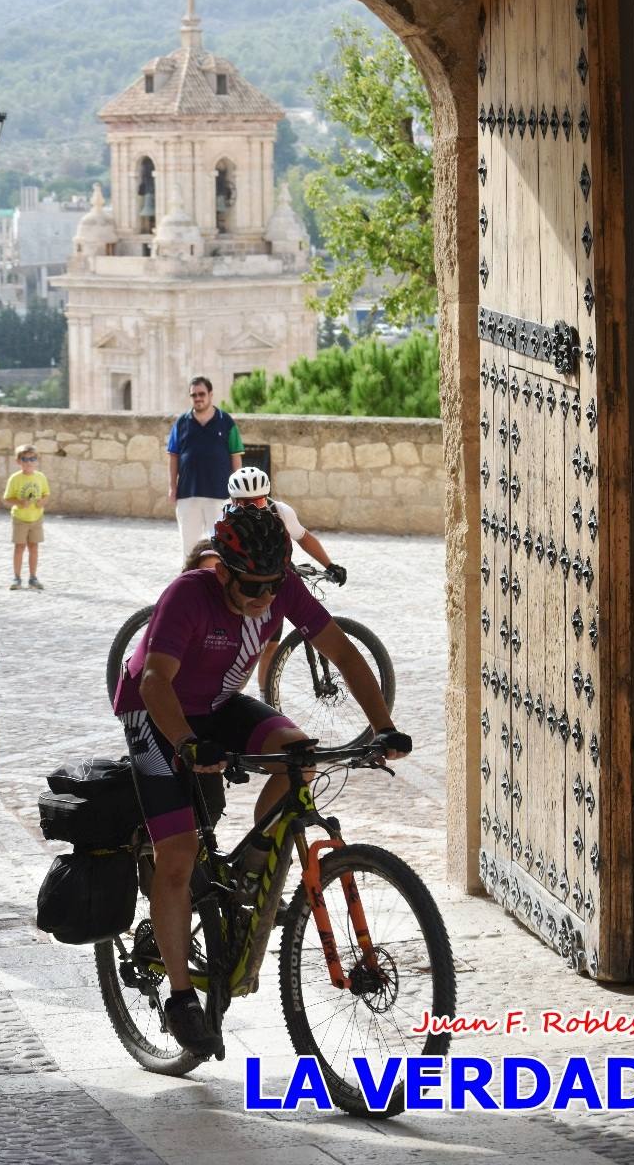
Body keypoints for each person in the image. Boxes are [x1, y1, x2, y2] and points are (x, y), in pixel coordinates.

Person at [113, 503, 411, 1057]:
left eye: (273, 586)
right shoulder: (189, 594)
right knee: (177, 854)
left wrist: (384, 726)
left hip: (218, 702)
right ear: (222, 569)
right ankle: (180, 996)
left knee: (299, 755)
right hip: (155, 711)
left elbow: (342, 652)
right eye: (251, 586)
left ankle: (251, 866)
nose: (264, 599)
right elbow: (155, 683)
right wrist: (187, 745)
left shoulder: (280, 584)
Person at [226, 465, 347, 694]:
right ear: (233, 500)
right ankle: (226, 699)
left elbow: (303, 537)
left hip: (272, 588)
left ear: (267, 497)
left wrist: (329, 565)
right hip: (241, 592)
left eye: (258, 502)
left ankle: (265, 697)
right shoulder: (224, 515)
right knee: (242, 652)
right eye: (244, 503)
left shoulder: (280, 511)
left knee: (270, 645)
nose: (252, 508)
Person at [167, 376, 243, 557]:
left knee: (221, 545)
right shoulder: (181, 423)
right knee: (189, 547)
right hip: (188, 494)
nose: (198, 398)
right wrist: (172, 486)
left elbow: (236, 456)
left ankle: (220, 581)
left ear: (210, 394)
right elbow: (173, 455)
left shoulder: (226, 421)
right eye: (194, 395)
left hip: (220, 494)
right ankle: (189, 581)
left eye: (202, 394)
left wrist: (239, 490)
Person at [2, 444, 50, 591]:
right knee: (19, 547)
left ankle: (33, 577)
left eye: (32, 459)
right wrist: (19, 502)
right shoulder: (15, 479)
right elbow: (7, 498)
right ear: (18, 461)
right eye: (25, 459)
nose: (29, 462)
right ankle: (17, 577)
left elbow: (46, 493)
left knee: (34, 547)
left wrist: (43, 501)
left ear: (37, 460)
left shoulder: (40, 477)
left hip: (36, 518)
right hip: (20, 518)